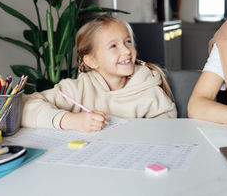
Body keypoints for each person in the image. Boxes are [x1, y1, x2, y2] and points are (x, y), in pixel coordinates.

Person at [22, 15, 177, 132]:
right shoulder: (76, 89)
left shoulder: (148, 90)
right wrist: (70, 120)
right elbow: (24, 106)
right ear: (91, 61)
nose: (126, 50)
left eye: (128, 41)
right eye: (113, 46)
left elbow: (168, 130)